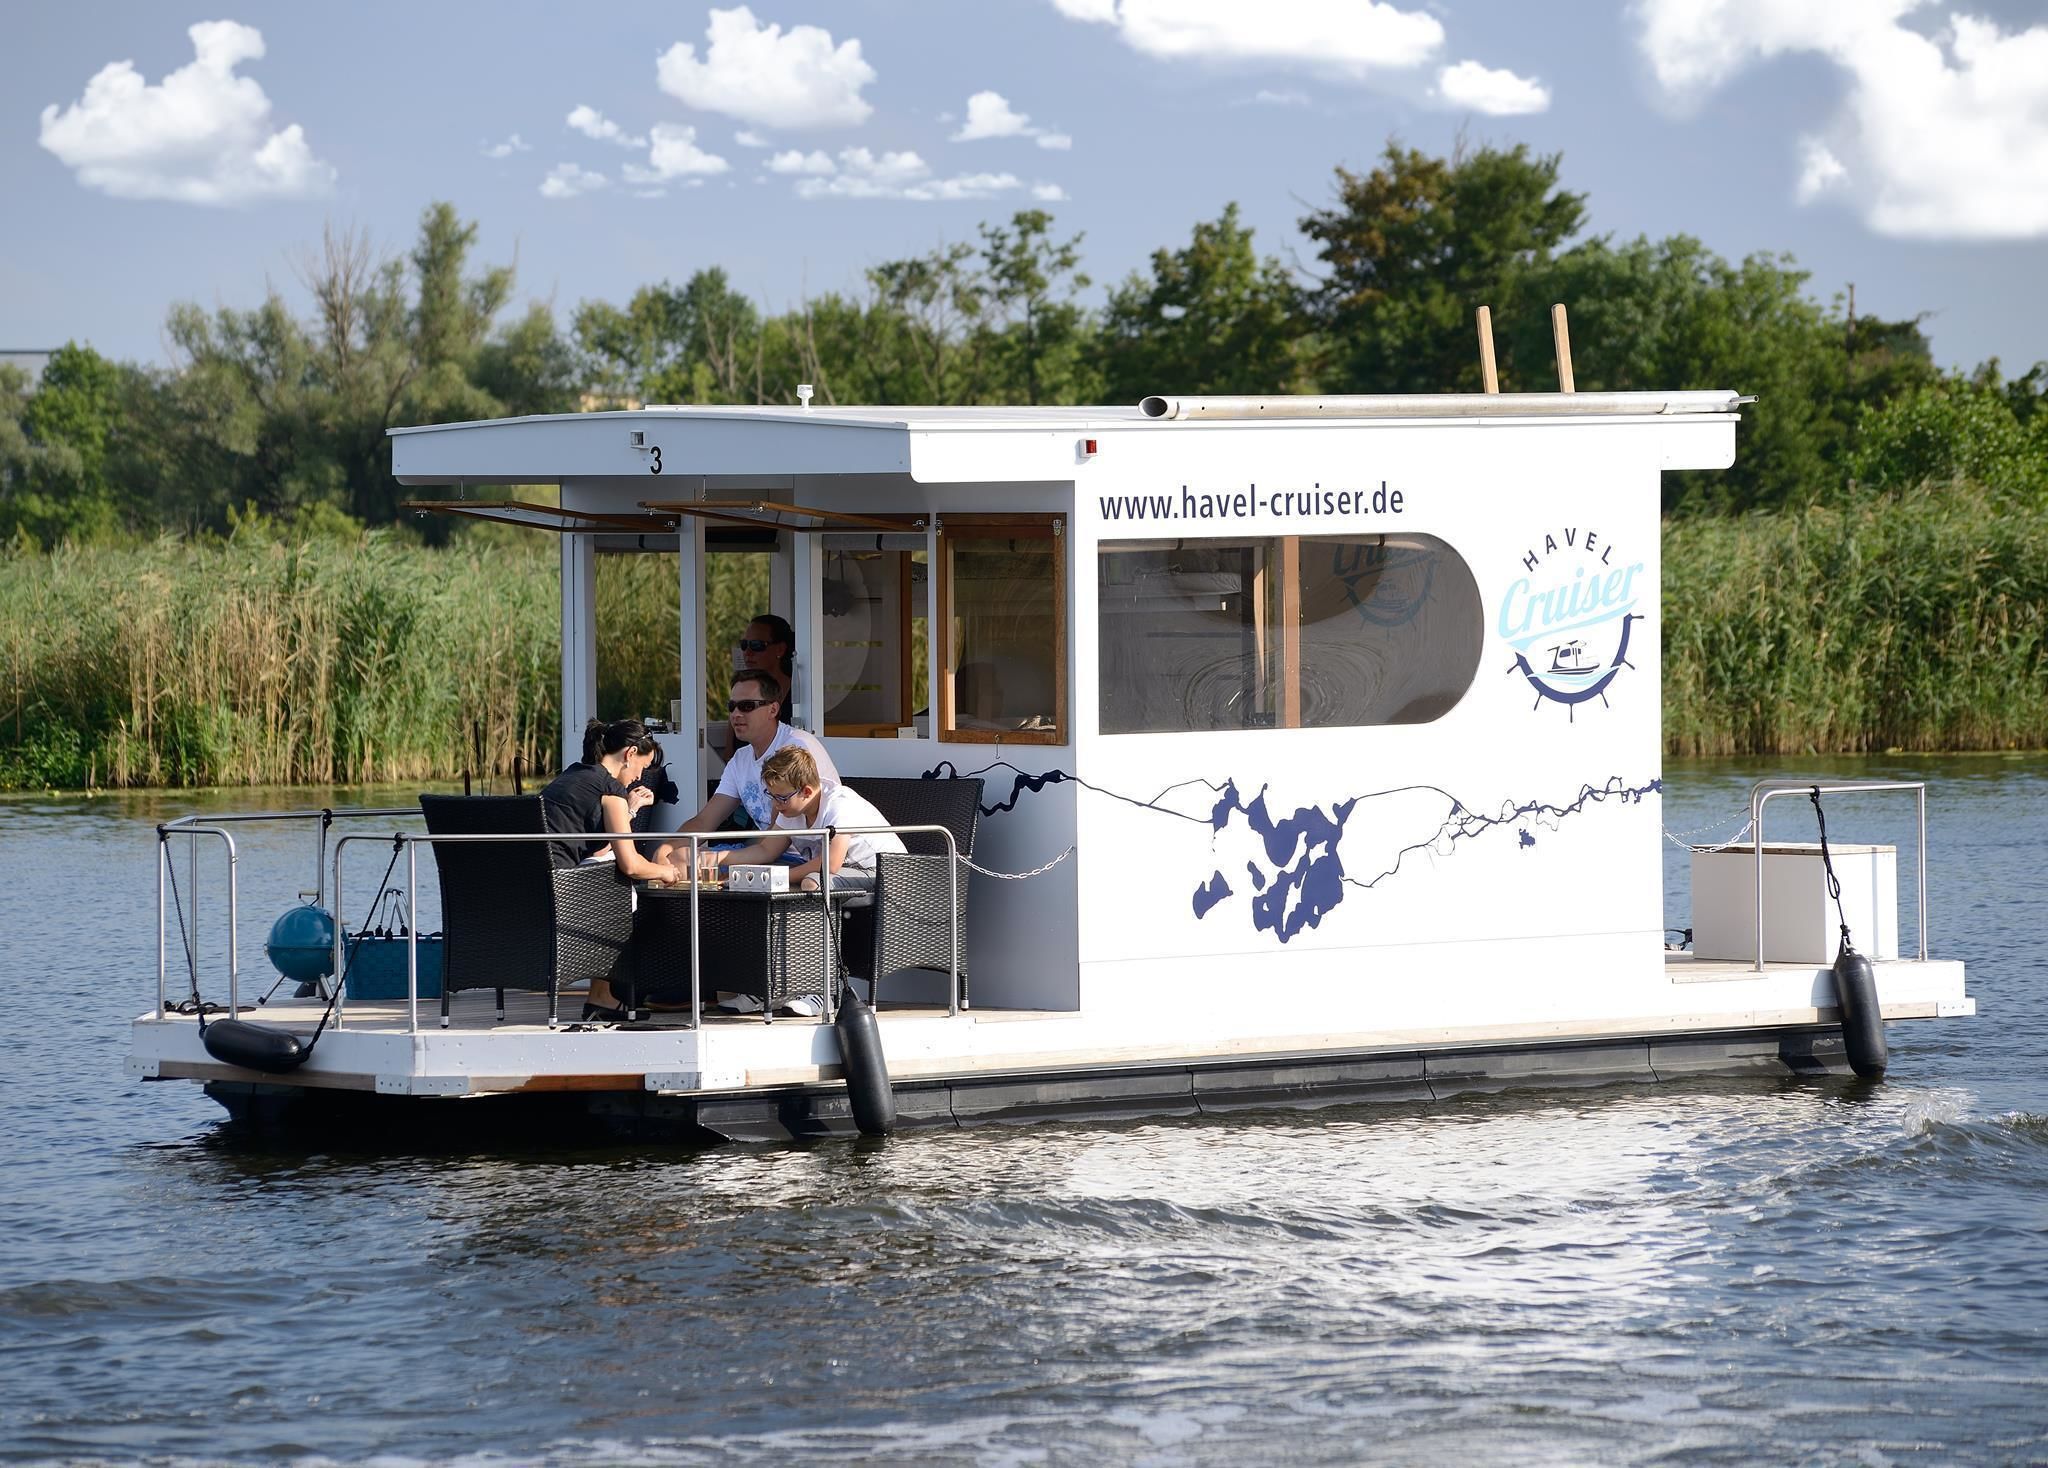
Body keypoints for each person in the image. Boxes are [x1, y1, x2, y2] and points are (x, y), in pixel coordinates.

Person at [540, 719, 679, 1019]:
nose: (641, 775)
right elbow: (630, 862)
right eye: (643, 766)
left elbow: (593, 846)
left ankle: (603, 994)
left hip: (534, 888)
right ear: (629, 754)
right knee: (621, 882)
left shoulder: (573, 775)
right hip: (562, 894)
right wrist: (665, 872)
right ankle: (603, 995)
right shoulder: (610, 787)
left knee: (607, 865)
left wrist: (628, 810)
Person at [699, 745, 905, 895]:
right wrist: (717, 858)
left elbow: (830, 864)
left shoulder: (838, 804)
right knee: (758, 874)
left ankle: (814, 948)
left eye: (781, 798)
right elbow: (765, 850)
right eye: (771, 797)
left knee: (812, 882)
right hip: (845, 870)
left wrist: (774, 878)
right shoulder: (792, 809)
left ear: (806, 791)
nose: (776, 805)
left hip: (887, 871)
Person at [664, 669, 840, 843]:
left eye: (747, 706)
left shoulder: (796, 747)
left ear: (773, 709)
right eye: (731, 707)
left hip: (805, 858)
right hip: (768, 854)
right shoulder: (740, 759)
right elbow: (705, 821)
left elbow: (772, 840)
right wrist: (668, 850)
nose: (736, 714)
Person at [736, 614, 796, 725]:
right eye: (744, 645)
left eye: (756, 645)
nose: (747, 652)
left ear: (780, 649)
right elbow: (731, 741)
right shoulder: (740, 692)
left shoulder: (798, 694)